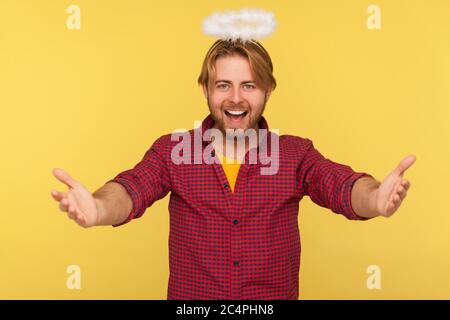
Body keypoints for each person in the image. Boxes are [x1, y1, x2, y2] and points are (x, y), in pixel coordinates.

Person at [51, 11, 415, 300]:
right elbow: (130, 190)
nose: (236, 99)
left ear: (268, 90)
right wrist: (99, 208)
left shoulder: (296, 154)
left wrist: (375, 198)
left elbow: (341, 186)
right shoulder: (172, 152)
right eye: (223, 85)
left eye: (249, 85)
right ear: (206, 90)